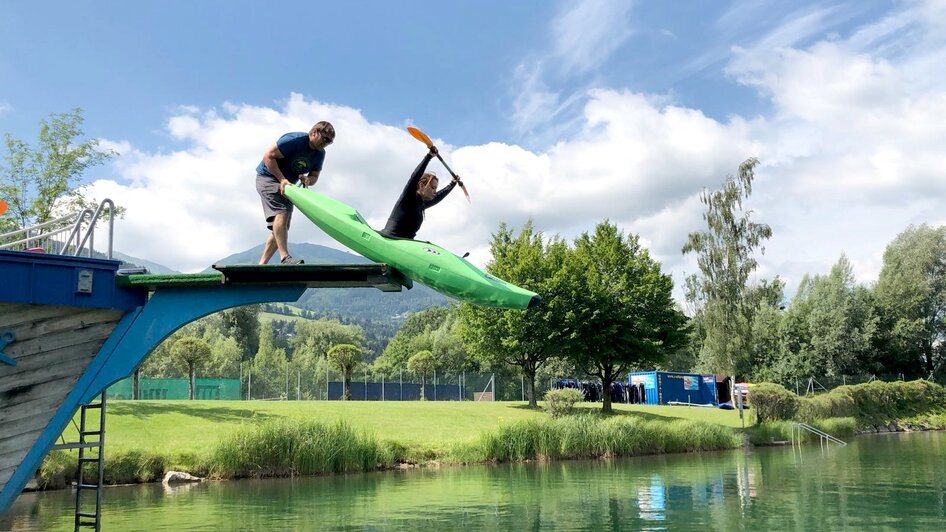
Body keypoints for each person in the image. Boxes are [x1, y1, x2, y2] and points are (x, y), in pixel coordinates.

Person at [256, 121, 335, 265]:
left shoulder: (320, 154)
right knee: (282, 213)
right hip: (268, 177)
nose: (326, 143)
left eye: (330, 142)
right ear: (313, 133)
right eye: (325, 139)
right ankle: (285, 257)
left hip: (288, 186)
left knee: (282, 226)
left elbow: (314, 176)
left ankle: (262, 264)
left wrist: (307, 180)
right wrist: (281, 179)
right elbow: (268, 156)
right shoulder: (294, 141)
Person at [379, 146, 460, 239]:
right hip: (390, 237)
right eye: (433, 188)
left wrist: (452, 184)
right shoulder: (409, 197)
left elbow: (438, 196)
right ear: (421, 185)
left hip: (406, 242)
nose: (435, 191)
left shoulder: (422, 204)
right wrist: (428, 156)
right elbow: (415, 177)